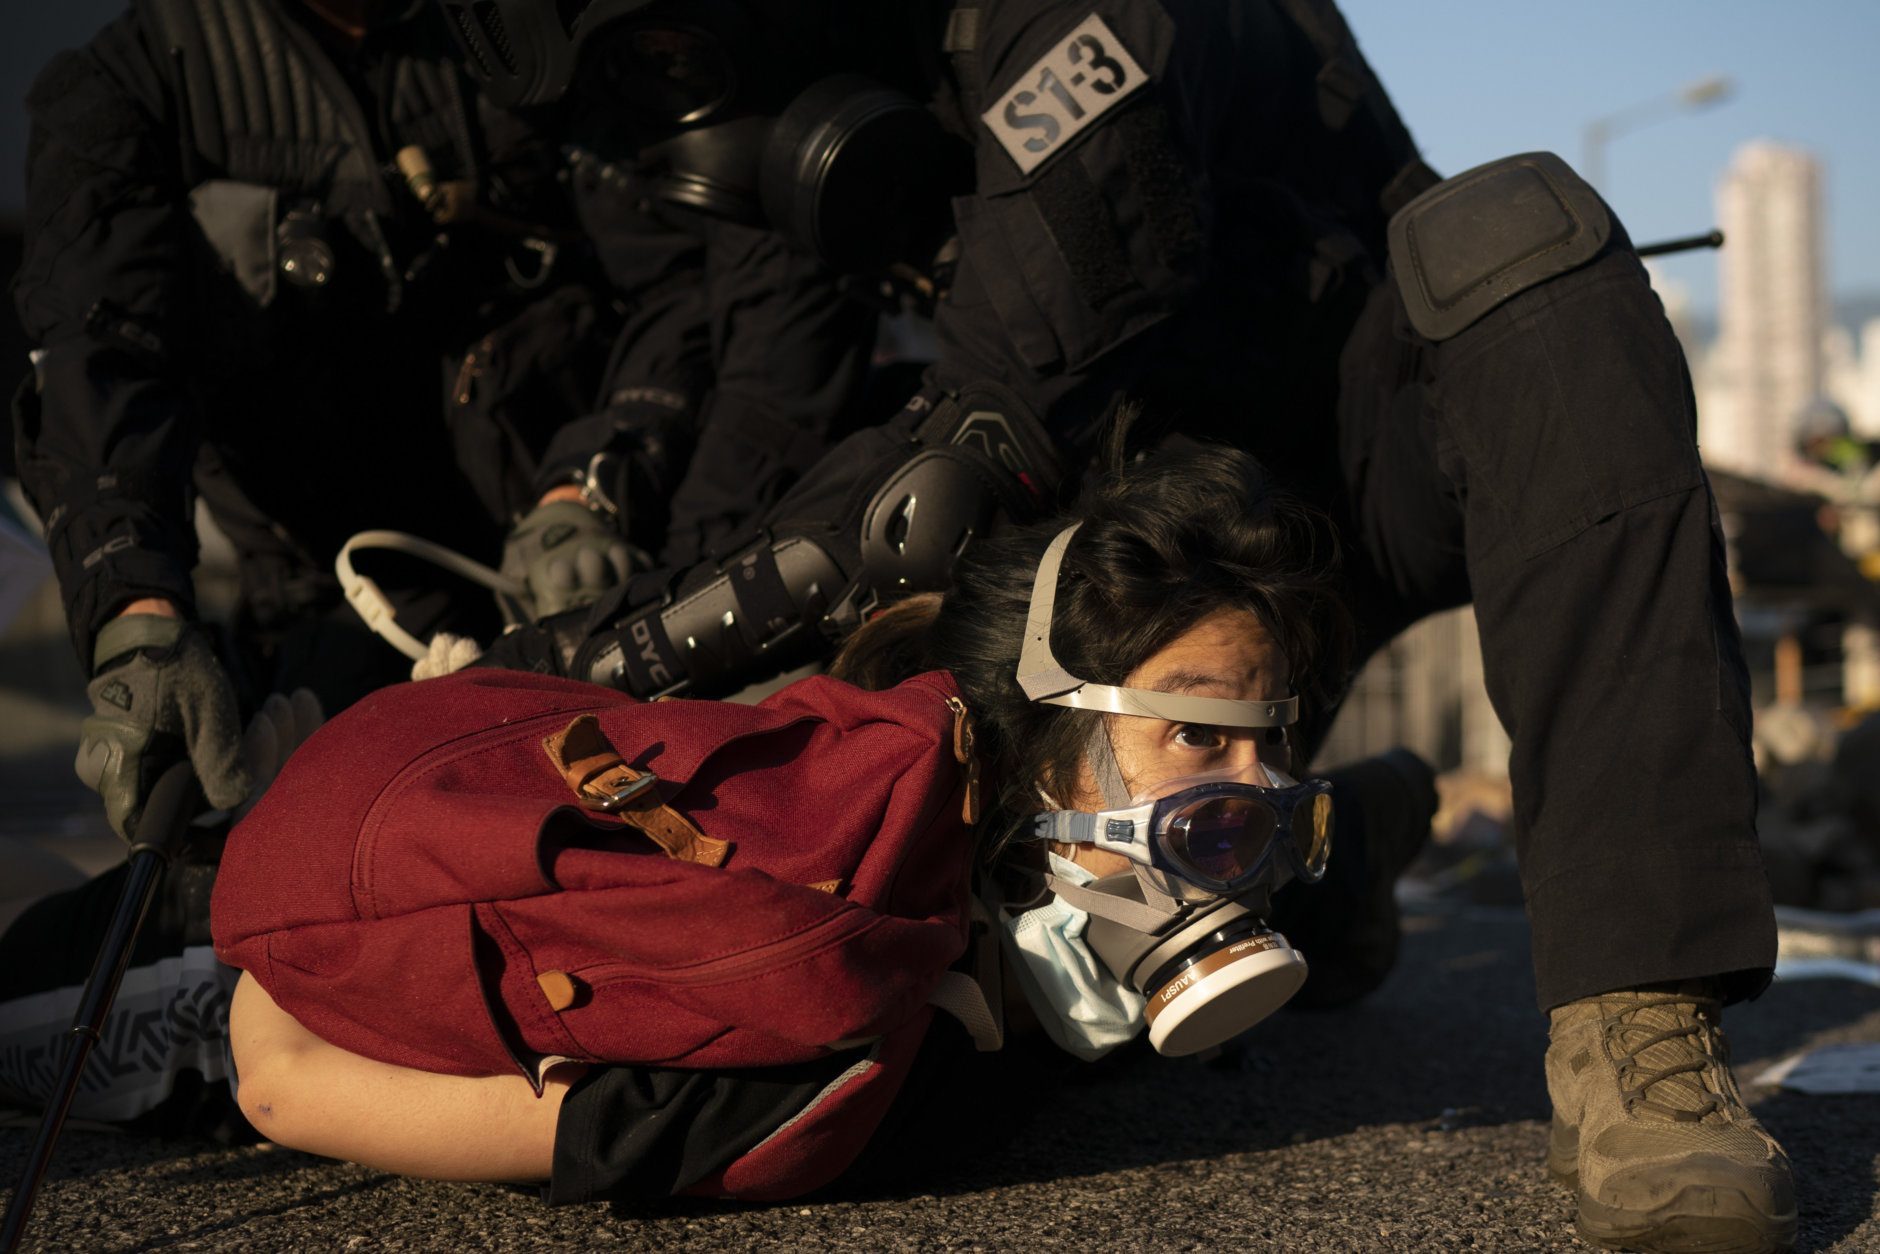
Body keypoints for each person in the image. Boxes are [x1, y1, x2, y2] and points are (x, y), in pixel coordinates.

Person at [434, 2, 1796, 1249]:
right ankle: (1310, 859)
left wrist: (598, 664)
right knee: (939, 992)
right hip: (1098, 593)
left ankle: (1640, 1017)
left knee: (1519, 239)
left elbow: (986, 413)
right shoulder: (788, 124)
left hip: (1333, 489)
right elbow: (768, 415)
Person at [10, 0, 625, 844]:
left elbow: (688, 274)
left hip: (587, 562)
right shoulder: (134, 81)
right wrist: (135, 610)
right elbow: (98, 349)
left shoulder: (528, 32)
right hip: (324, 605)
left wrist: (594, 478)